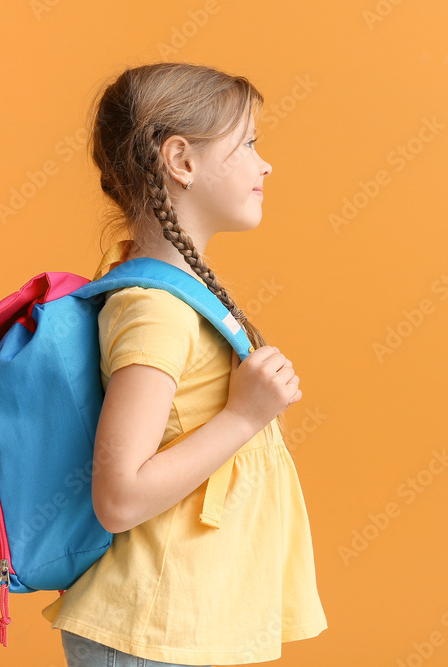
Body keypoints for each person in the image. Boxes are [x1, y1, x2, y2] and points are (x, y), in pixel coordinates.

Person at [40, 62, 328, 666]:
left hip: (183, 626)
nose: (264, 163)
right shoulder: (157, 311)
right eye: (247, 143)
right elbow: (118, 497)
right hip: (150, 633)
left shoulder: (177, 296)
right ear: (181, 160)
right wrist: (243, 418)